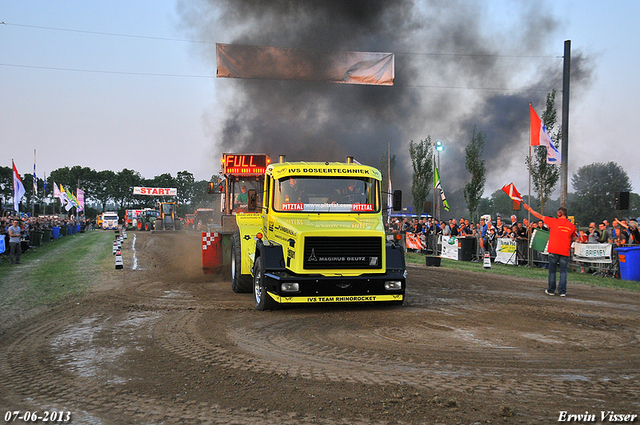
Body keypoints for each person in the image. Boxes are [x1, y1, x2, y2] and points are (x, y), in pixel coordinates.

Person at [524, 203, 577, 297]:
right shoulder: (571, 226)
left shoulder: (554, 221)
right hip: (565, 251)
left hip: (554, 250)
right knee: (563, 272)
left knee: (552, 271)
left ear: (559, 214)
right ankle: (562, 291)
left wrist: (529, 209)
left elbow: (539, 216)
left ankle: (551, 290)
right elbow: (573, 238)